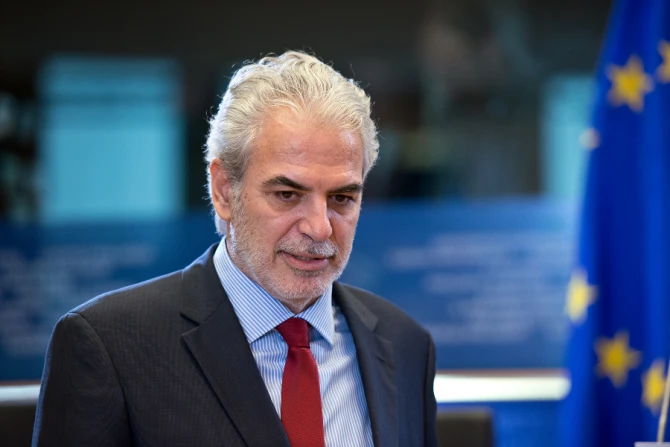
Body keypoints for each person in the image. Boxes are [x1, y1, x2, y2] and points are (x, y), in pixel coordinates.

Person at [32, 51, 438, 447]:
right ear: (225, 190)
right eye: (286, 194)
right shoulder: (109, 346)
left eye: (342, 198)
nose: (319, 227)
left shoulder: (405, 347)